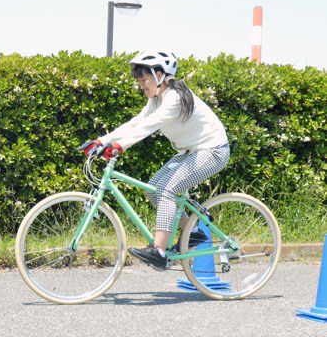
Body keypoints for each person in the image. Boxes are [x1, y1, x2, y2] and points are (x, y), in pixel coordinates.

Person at [79, 49, 229, 270]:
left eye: (143, 79)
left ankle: (159, 251)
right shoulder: (157, 100)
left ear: (160, 75)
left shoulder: (175, 98)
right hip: (191, 151)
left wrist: (119, 147)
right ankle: (193, 231)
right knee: (152, 189)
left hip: (213, 151)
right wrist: (102, 141)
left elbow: (150, 126)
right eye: (139, 80)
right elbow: (137, 122)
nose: (141, 84)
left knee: (167, 190)